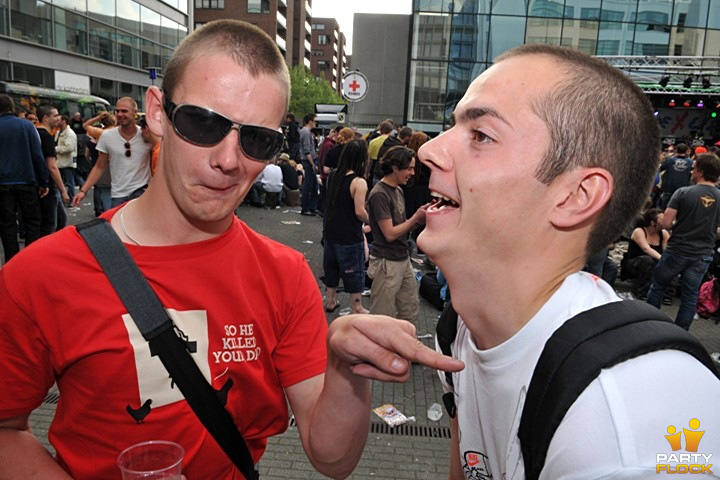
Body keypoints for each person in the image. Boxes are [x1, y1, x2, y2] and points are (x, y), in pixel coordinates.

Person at [0, 20, 462, 480]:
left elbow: (333, 459)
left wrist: (346, 371)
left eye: (257, 140)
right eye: (203, 123)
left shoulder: (285, 274)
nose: (227, 160)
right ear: (158, 112)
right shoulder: (41, 273)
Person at [416, 44, 720, 479]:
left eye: (481, 135)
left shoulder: (627, 424)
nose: (430, 150)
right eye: (453, 127)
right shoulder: (462, 330)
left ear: (577, 196)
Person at [647, 152, 720, 330]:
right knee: (690, 296)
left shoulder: (683, 193)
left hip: (678, 249)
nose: (690, 172)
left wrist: (677, 224)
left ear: (701, 171)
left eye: (693, 168)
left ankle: (648, 326)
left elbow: (665, 223)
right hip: (703, 254)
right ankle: (680, 335)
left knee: (658, 287)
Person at [366, 146, 427, 322]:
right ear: (395, 168)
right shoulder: (379, 194)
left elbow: (400, 225)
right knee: (381, 317)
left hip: (402, 259)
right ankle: (379, 348)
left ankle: (400, 346)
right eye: (409, 168)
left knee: (410, 310)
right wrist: (415, 218)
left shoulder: (398, 190)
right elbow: (390, 233)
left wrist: (418, 219)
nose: (412, 173)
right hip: (387, 263)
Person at [72, 97, 151, 209]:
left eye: (124, 111)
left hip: (141, 194)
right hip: (118, 195)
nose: (119, 114)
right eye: (117, 111)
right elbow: (99, 166)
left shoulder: (146, 136)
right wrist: (83, 191)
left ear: (135, 113)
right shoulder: (107, 136)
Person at [322, 139, 371, 315]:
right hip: (349, 235)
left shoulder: (334, 175)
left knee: (332, 268)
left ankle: (330, 300)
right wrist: (372, 220)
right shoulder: (359, 182)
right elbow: (359, 212)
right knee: (354, 271)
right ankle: (357, 306)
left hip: (331, 232)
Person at [0, 95, 49, 263]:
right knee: (32, 222)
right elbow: (37, 155)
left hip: (3, 184)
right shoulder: (27, 126)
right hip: (27, 181)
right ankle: (30, 260)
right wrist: (44, 181)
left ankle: (12, 261)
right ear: (12, 108)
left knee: (7, 225)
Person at [620, 208, 670, 300]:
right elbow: (646, 249)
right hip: (634, 264)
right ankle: (641, 292)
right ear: (652, 222)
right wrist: (663, 260)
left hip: (655, 264)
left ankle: (666, 294)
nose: (664, 222)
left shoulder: (664, 234)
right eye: (662, 220)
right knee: (647, 260)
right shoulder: (639, 231)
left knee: (670, 262)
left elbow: (666, 251)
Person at [35, 104, 69, 236]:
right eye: (55, 115)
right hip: (48, 185)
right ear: (45, 118)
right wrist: (63, 190)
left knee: (58, 219)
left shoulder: (33, 133)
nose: (58, 118)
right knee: (51, 224)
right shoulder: (47, 137)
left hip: (37, 183)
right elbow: (52, 166)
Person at [83, 111, 116, 216]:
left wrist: (97, 117)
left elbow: (85, 125)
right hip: (117, 166)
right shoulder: (119, 131)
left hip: (103, 165)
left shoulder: (100, 133)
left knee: (105, 192)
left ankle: (108, 215)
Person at [658, 143, 693, 209]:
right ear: (686, 151)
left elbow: (659, 170)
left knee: (665, 209)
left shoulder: (669, 160)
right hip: (683, 189)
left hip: (668, 188)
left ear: (676, 150)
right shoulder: (690, 162)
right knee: (680, 209)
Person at [299, 113, 319, 216]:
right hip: (309, 161)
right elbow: (307, 150)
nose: (316, 123)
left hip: (308, 160)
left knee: (313, 184)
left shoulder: (304, 132)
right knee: (309, 185)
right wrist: (312, 164)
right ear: (310, 121)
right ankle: (306, 207)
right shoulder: (306, 133)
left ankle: (311, 207)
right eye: (315, 121)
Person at [55, 115, 78, 202]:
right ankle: (62, 199)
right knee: (60, 182)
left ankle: (71, 199)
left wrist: (56, 149)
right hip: (60, 161)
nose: (57, 121)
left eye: (59, 120)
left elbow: (69, 148)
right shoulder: (58, 132)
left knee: (69, 182)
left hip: (67, 162)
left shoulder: (70, 133)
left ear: (64, 121)